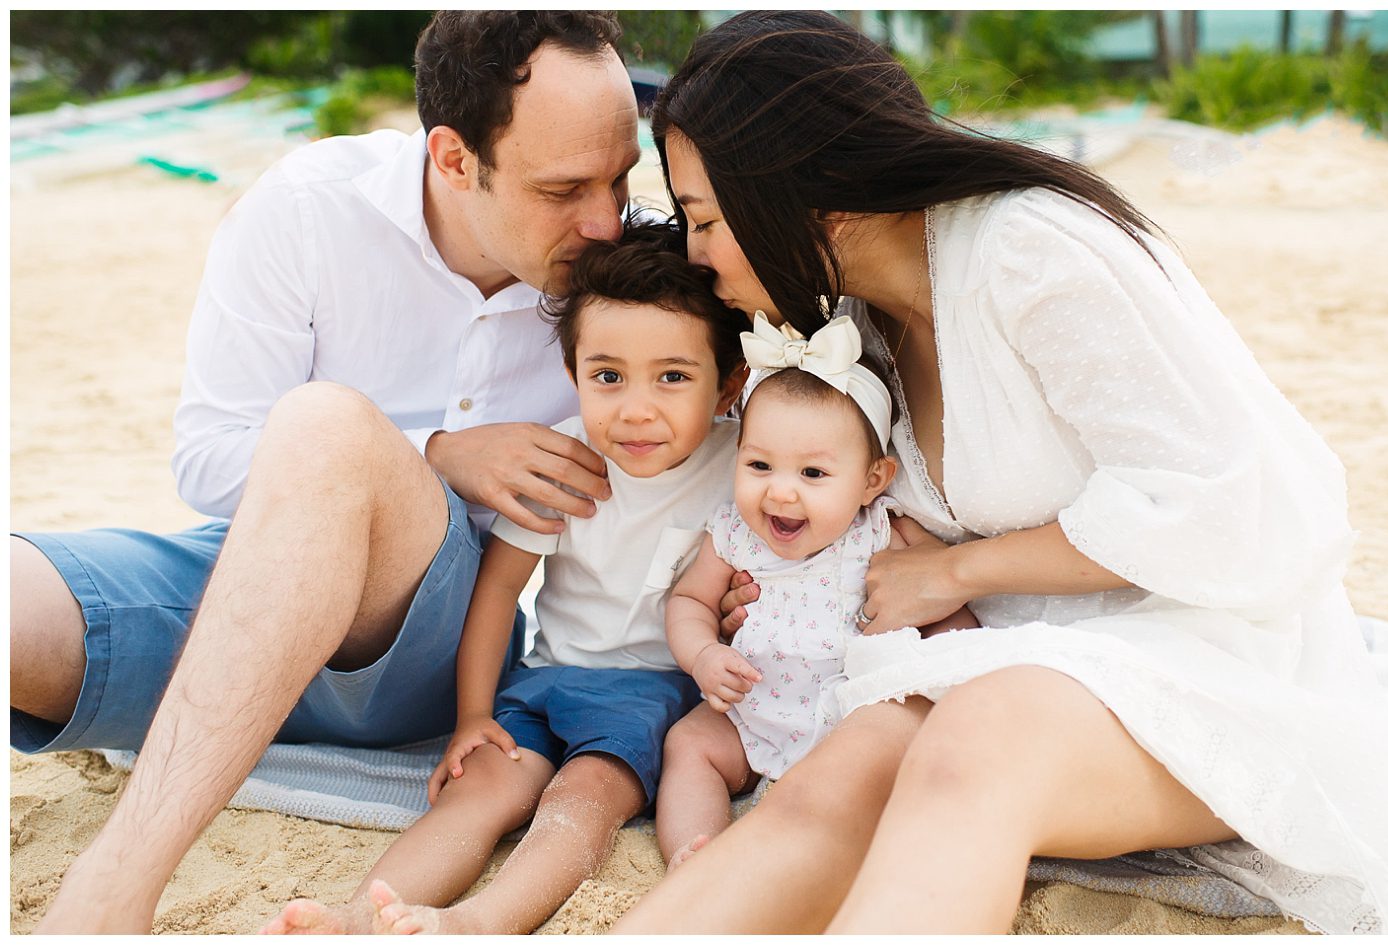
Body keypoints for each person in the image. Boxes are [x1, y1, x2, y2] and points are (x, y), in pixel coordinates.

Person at [610, 10, 1388, 935]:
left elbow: (1220, 503)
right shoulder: (856, 322)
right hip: (989, 650)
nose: (699, 252)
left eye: (706, 219)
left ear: (809, 192)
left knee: (972, 743)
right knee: (835, 776)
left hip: (1198, 647)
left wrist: (955, 571)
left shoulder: (1030, 252)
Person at [11, 12, 647, 934]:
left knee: (321, 422)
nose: (606, 220)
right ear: (454, 158)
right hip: (252, 594)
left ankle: (107, 898)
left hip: (434, 649)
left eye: (620, 178)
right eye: (564, 188)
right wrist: (437, 452)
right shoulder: (310, 208)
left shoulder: (634, 272)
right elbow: (208, 455)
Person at [261, 221, 747, 934]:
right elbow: (497, 589)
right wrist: (473, 716)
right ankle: (360, 914)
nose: (636, 409)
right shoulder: (569, 460)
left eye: (673, 376)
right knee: (482, 785)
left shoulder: (743, 465)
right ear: (574, 373)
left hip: (650, 692)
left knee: (580, 799)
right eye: (607, 376)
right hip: (548, 675)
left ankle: (481, 921)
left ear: (729, 384)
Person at [655, 315, 900, 870]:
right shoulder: (732, 535)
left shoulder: (882, 532)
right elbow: (690, 602)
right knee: (689, 746)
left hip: (846, 719)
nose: (780, 490)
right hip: (748, 711)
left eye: (813, 473)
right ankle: (693, 855)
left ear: (871, 480)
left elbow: (942, 605)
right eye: (759, 464)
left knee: (875, 778)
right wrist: (703, 655)